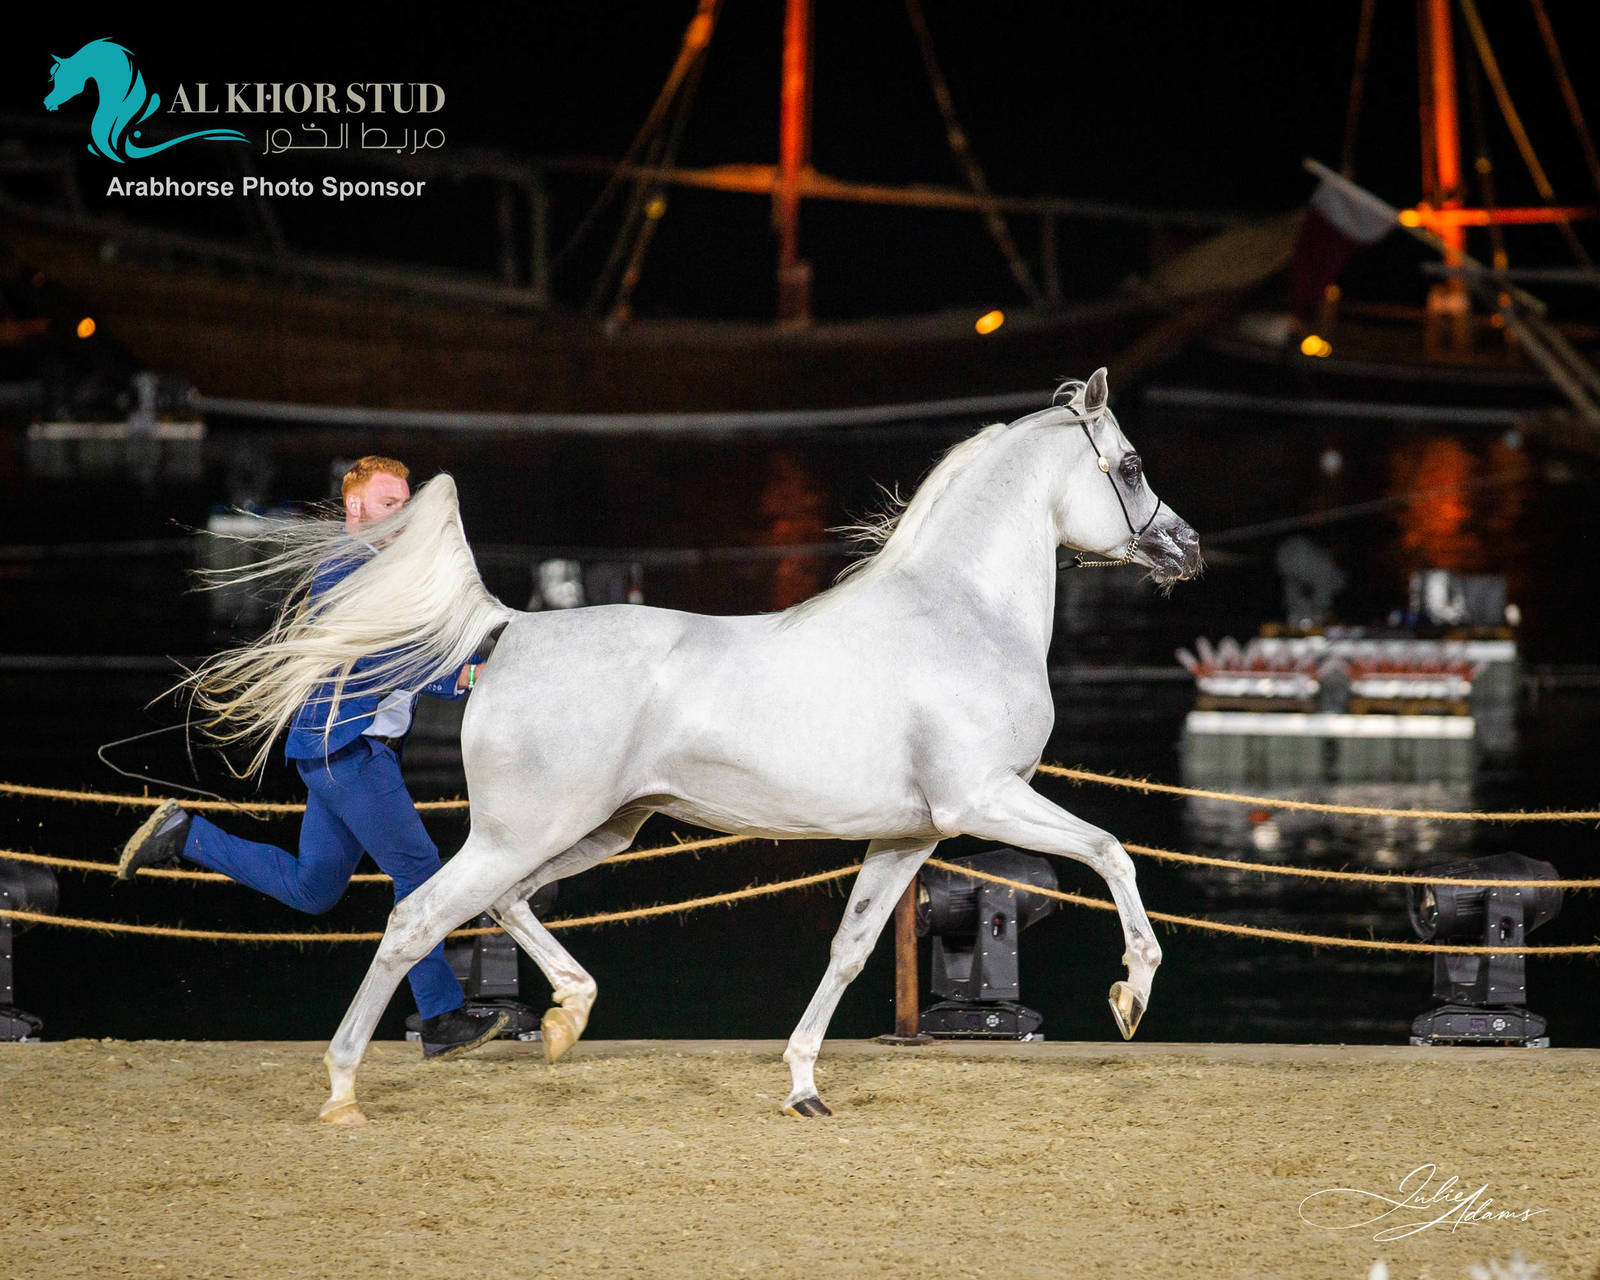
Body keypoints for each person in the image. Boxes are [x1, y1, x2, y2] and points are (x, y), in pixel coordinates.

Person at [118, 456, 508, 1060]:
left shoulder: (382, 566)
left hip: (337, 753)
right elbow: (378, 658)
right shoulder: (343, 572)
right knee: (420, 870)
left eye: (406, 504)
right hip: (349, 754)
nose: (401, 516)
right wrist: (459, 678)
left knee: (313, 888)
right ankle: (441, 1017)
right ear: (354, 508)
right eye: (388, 504)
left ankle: (185, 835)